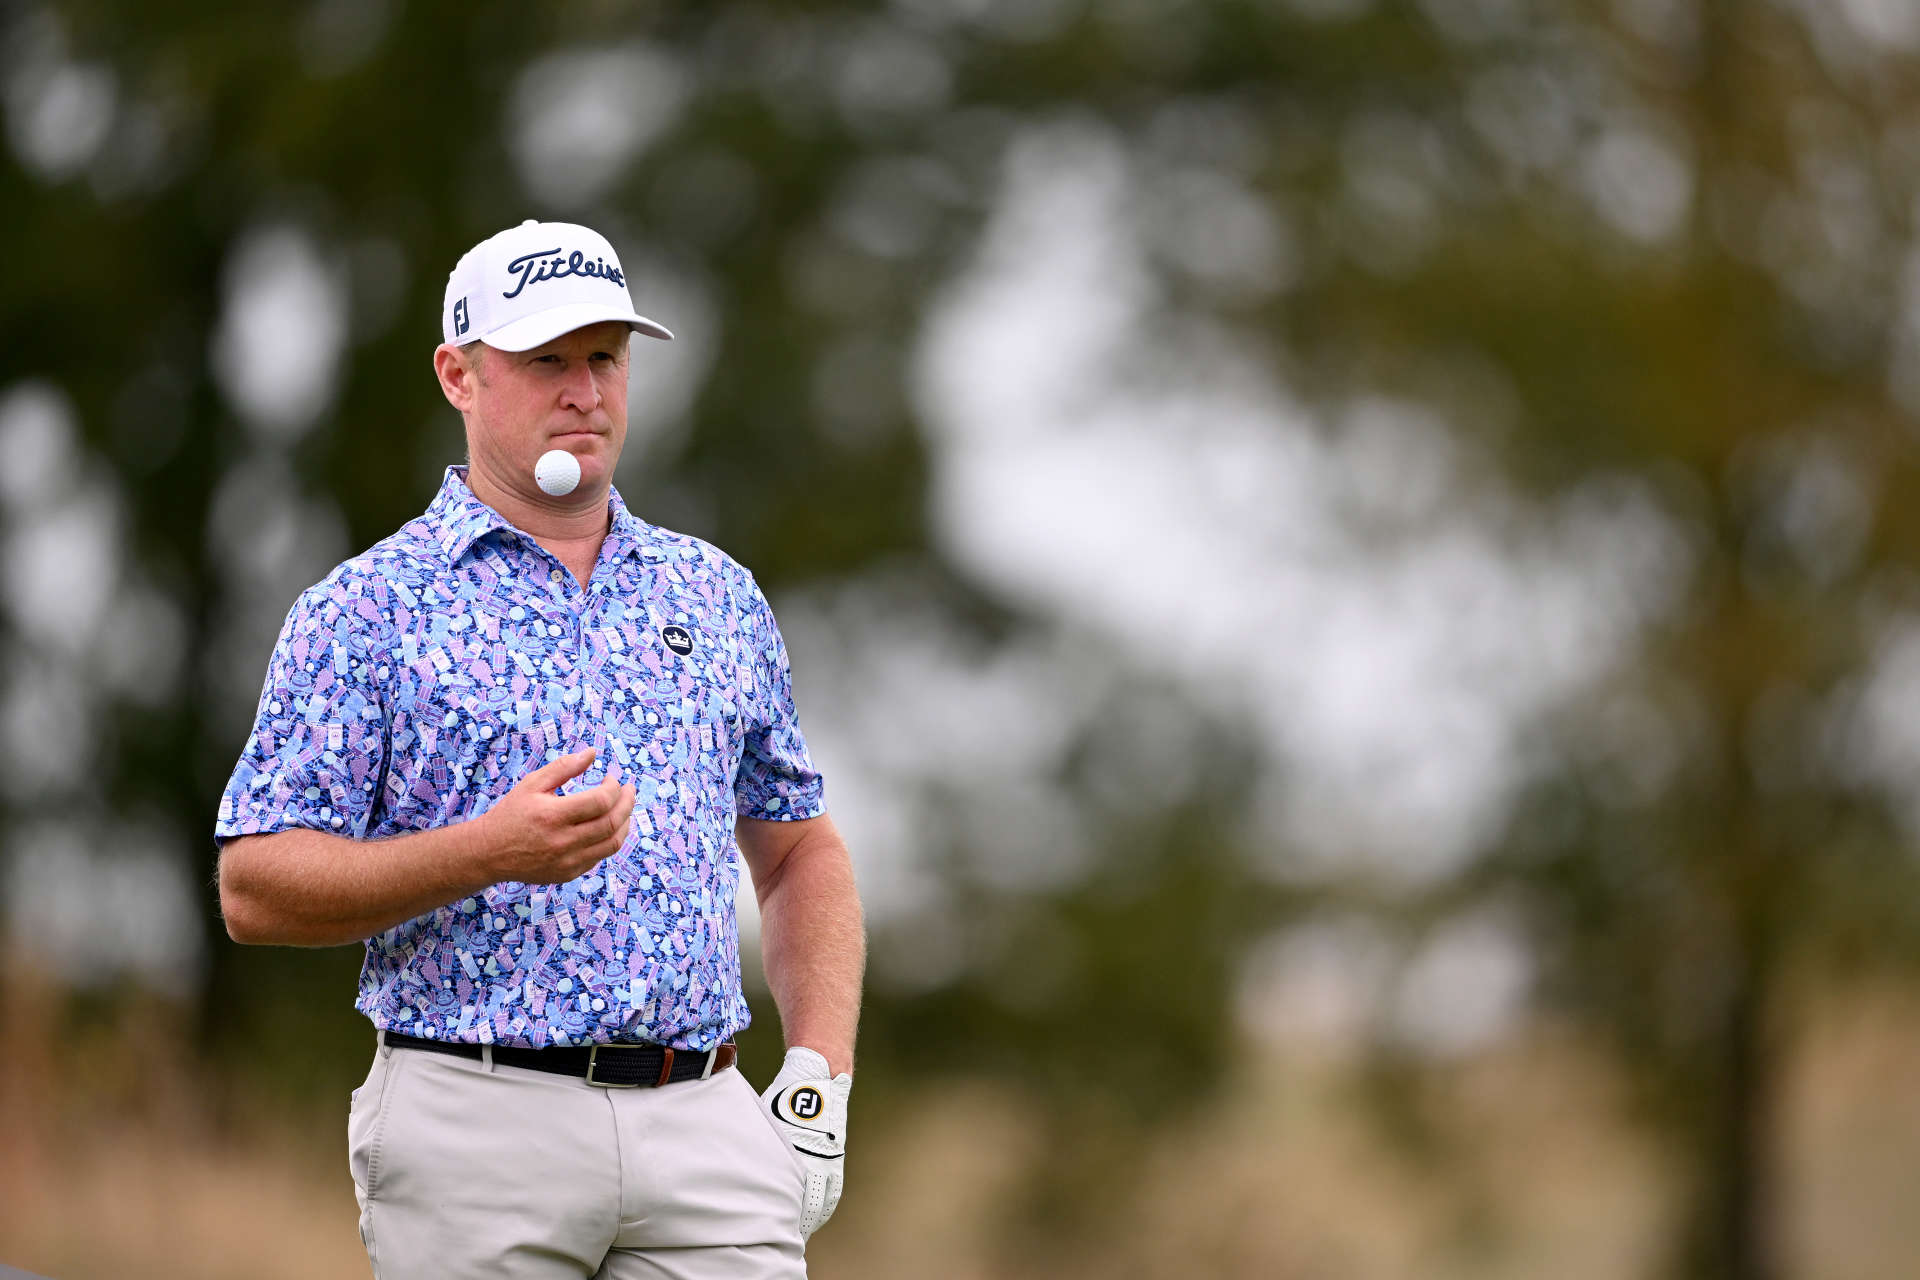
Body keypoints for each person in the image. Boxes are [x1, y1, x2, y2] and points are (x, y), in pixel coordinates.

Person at [213, 219, 865, 1280]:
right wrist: (487, 850)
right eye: (546, 360)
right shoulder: (367, 609)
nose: (586, 390)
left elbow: (800, 853)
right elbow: (256, 886)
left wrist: (817, 1073)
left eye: (605, 358)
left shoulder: (714, 593)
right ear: (458, 374)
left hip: (703, 1117)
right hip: (475, 1120)